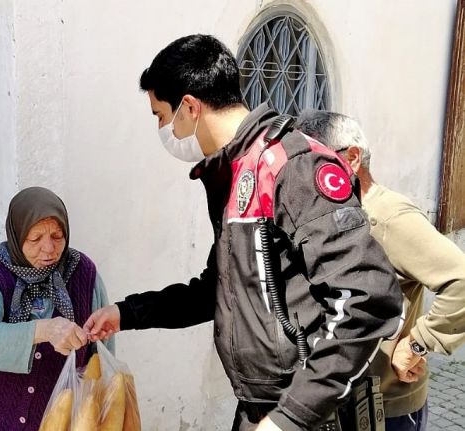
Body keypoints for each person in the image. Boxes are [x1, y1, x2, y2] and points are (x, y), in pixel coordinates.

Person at [84, 34, 404, 431]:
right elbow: (219, 290)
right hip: (260, 408)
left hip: (311, 415)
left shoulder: (294, 166)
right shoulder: (234, 173)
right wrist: (127, 313)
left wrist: (292, 417)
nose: (163, 129)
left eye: (160, 116)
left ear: (189, 107)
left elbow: (368, 299)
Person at [295, 110, 465, 431]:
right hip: (332, 402)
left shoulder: (390, 216)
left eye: (312, 162)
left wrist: (416, 345)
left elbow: (460, 281)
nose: (301, 177)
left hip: (385, 409)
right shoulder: (328, 216)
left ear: (353, 158)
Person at [0, 186, 113, 430]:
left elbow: (104, 352)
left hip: (63, 422)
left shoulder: (84, 273)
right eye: (35, 239)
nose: (49, 249)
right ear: (17, 234)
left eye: (57, 236)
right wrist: (45, 330)